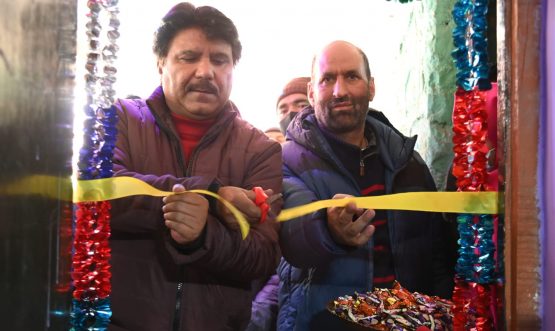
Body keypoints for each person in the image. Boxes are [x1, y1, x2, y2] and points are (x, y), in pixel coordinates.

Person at [109, 3, 282, 330]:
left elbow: (263, 253)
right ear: (161, 62)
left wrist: (204, 236)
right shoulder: (122, 119)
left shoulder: (260, 149)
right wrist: (211, 193)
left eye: (219, 59)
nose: (206, 71)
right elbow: (102, 194)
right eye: (189, 57)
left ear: (233, 67)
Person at [277, 40, 455, 330]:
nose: (340, 91)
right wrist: (328, 229)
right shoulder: (287, 161)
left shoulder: (408, 163)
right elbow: (293, 236)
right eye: (327, 79)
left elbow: (436, 255)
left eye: (351, 76)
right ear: (311, 92)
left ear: (371, 87)